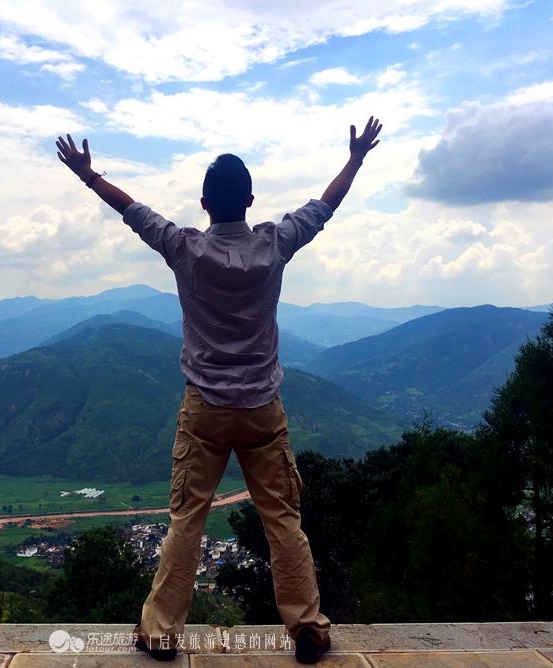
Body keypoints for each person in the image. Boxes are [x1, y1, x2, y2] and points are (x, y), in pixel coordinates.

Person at [55, 116, 382, 664]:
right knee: (282, 519)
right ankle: (307, 627)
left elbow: (133, 211)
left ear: (204, 204)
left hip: (205, 408)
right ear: (250, 201)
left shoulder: (184, 249)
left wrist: (89, 176)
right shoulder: (275, 244)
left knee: (188, 519)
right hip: (261, 410)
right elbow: (326, 206)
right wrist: (355, 158)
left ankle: (160, 631)